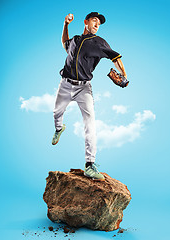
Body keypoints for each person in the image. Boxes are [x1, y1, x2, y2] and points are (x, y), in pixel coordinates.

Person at [52, 12, 127, 180]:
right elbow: (65, 43)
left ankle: (90, 164)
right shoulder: (76, 40)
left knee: (90, 124)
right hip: (65, 84)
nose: (97, 24)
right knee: (56, 113)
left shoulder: (99, 42)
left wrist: (124, 74)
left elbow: (114, 57)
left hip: (84, 88)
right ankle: (59, 129)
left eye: (99, 23)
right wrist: (66, 25)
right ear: (86, 22)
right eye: (94, 20)